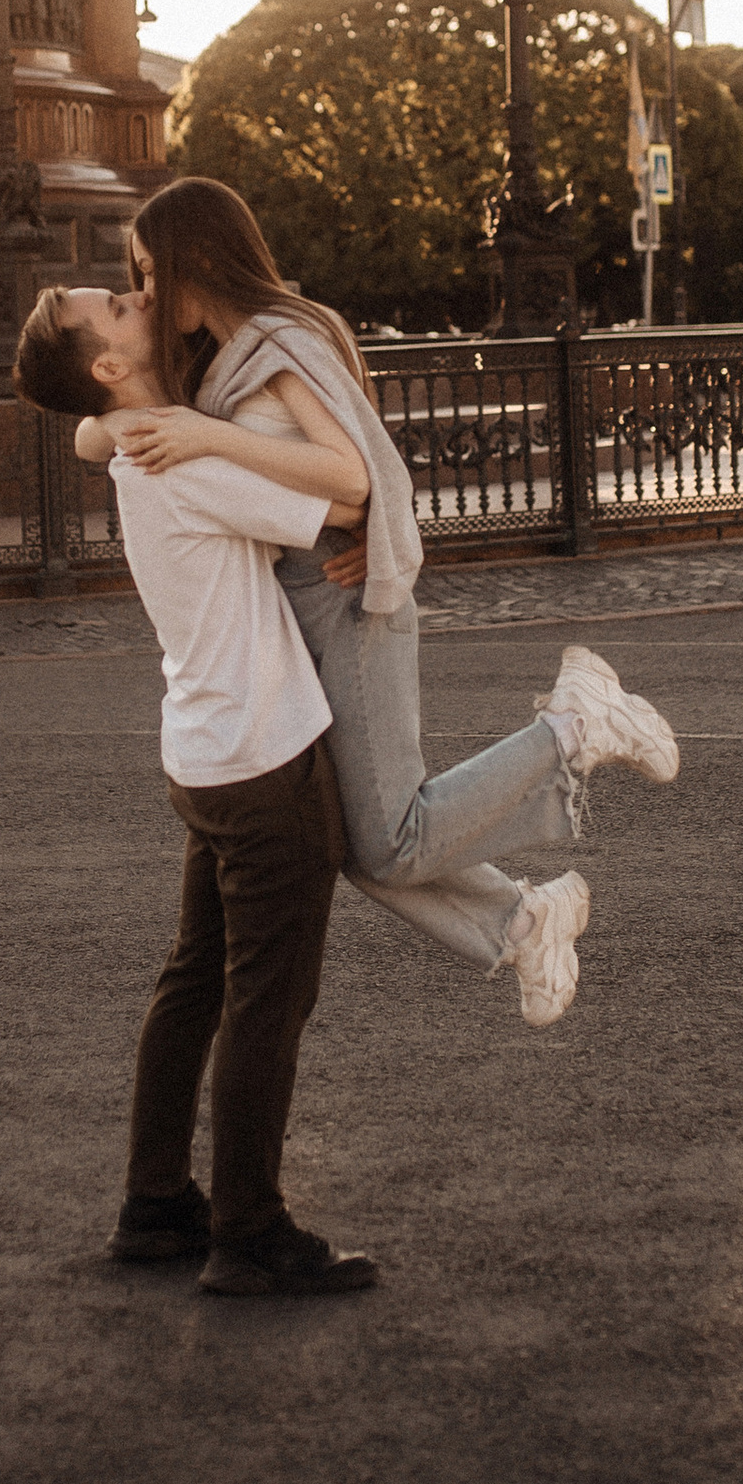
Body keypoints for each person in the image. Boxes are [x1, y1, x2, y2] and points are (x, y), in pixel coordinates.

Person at [99, 178, 681, 1022]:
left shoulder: (279, 336)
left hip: (350, 604)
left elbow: (351, 475)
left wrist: (204, 434)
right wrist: (122, 412)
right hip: (308, 606)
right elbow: (92, 429)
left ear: (200, 257)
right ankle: (525, 920)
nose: (146, 292)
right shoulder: (225, 356)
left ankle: (574, 727)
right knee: (351, 842)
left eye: (152, 270)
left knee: (389, 837)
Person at [13, 281, 377, 1300]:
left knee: (195, 983)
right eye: (119, 311)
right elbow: (348, 498)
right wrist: (232, 442)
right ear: (108, 367)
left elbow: (109, 444)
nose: (139, 301)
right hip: (265, 756)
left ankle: (156, 1203)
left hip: (204, 749)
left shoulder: (134, 443)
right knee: (268, 999)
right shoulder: (183, 458)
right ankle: (249, 1230)